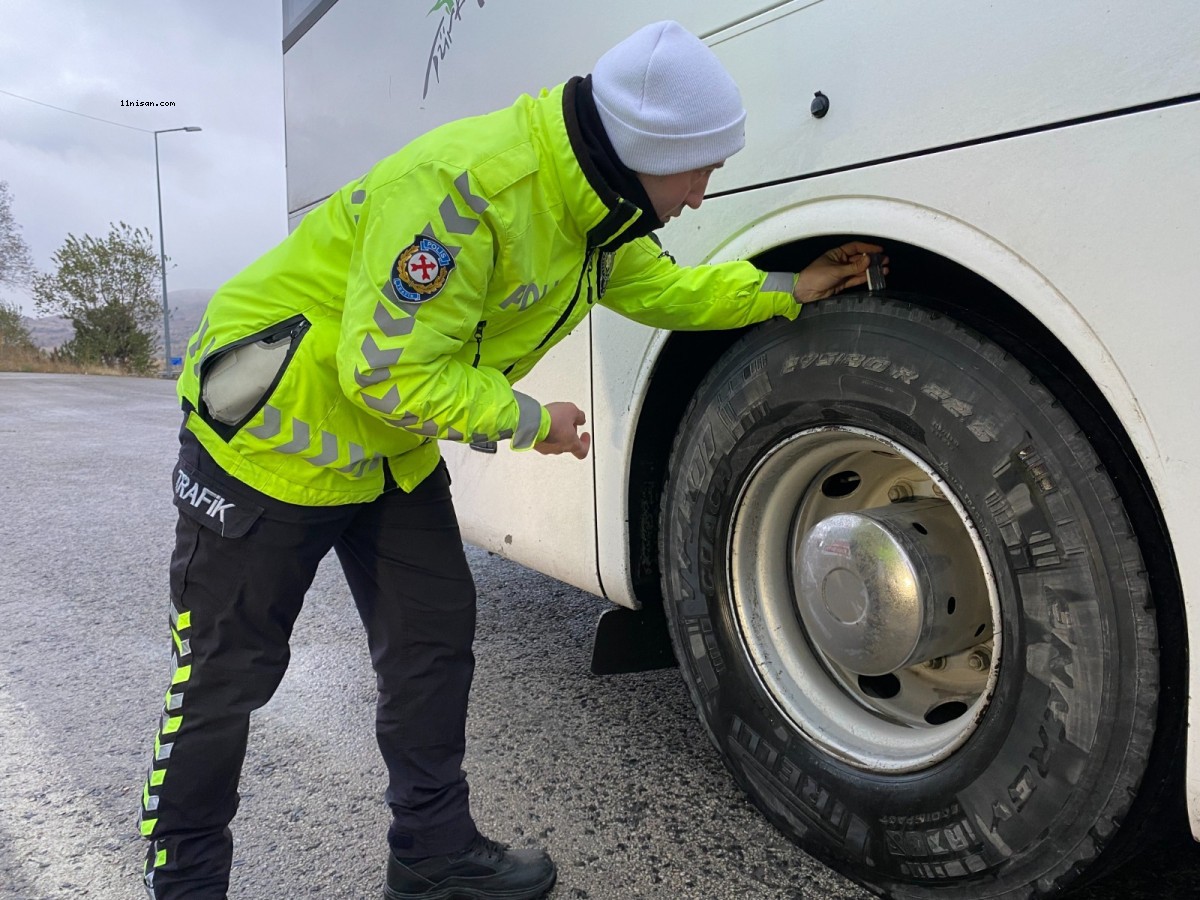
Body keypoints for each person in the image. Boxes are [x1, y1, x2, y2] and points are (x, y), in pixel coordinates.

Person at [137, 19, 884, 900]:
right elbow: (381, 372)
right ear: (647, 147)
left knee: (432, 643)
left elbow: (667, 290)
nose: (701, 192)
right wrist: (533, 420)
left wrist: (790, 289)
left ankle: (432, 854)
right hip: (271, 441)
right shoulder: (464, 192)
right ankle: (185, 882)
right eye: (700, 169)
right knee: (224, 677)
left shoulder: (595, 212)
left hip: (388, 455)